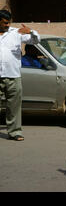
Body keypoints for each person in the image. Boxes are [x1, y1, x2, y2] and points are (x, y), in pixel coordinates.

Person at [0, 10, 40, 141]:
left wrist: (31, 32)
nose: (8, 25)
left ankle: (15, 132)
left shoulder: (16, 33)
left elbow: (35, 41)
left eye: (9, 22)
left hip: (13, 76)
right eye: (5, 23)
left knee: (14, 107)